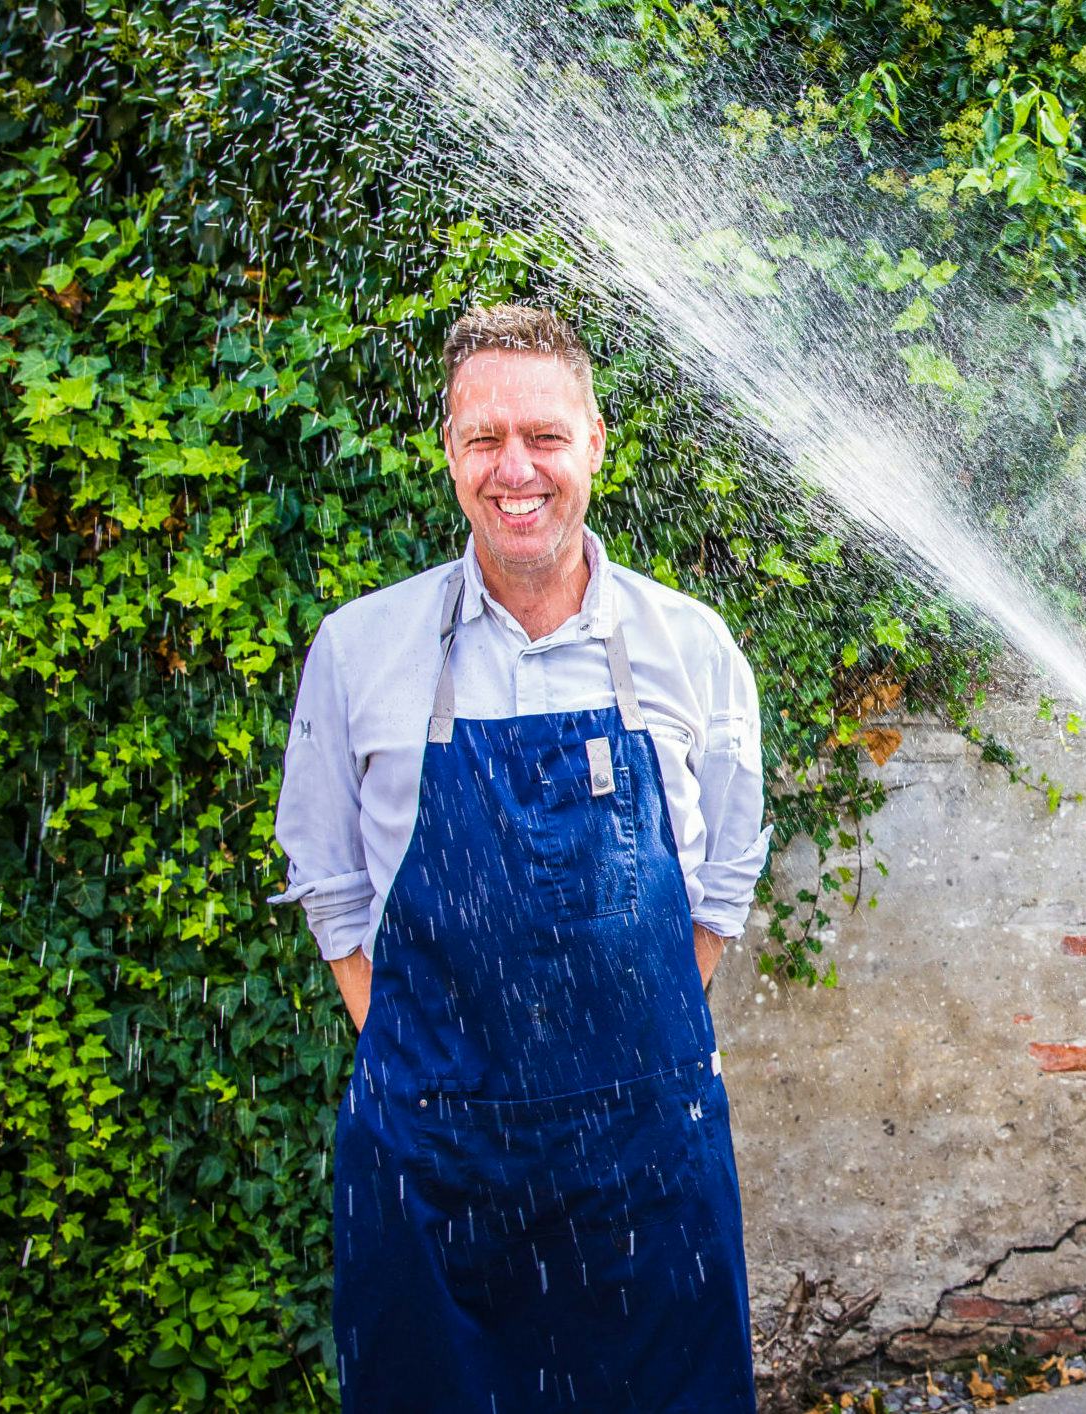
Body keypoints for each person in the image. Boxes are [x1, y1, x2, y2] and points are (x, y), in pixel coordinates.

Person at [272, 304, 768, 1410]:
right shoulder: (361, 648)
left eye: (544, 436)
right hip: (435, 1170)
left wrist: (617, 1067)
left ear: (596, 443)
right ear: (448, 453)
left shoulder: (692, 647)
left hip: (646, 1167)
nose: (517, 469)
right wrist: (434, 1070)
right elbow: (332, 886)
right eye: (484, 439)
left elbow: (724, 881)